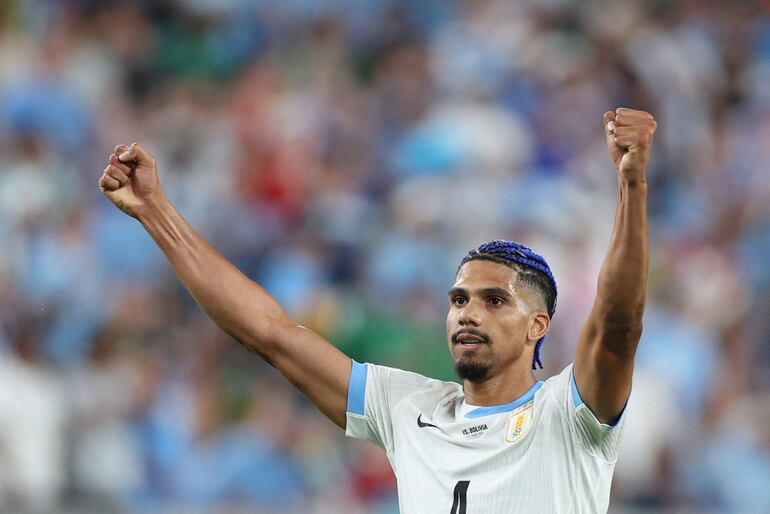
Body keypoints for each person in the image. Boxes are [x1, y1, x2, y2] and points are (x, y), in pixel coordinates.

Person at [99, 107, 656, 513]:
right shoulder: (407, 408)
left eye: (494, 300)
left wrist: (631, 183)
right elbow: (269, 333)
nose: (468, 313)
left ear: (539, 326)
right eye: (458, 299)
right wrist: (155, 213)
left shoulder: (571, 414)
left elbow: (618, 322)